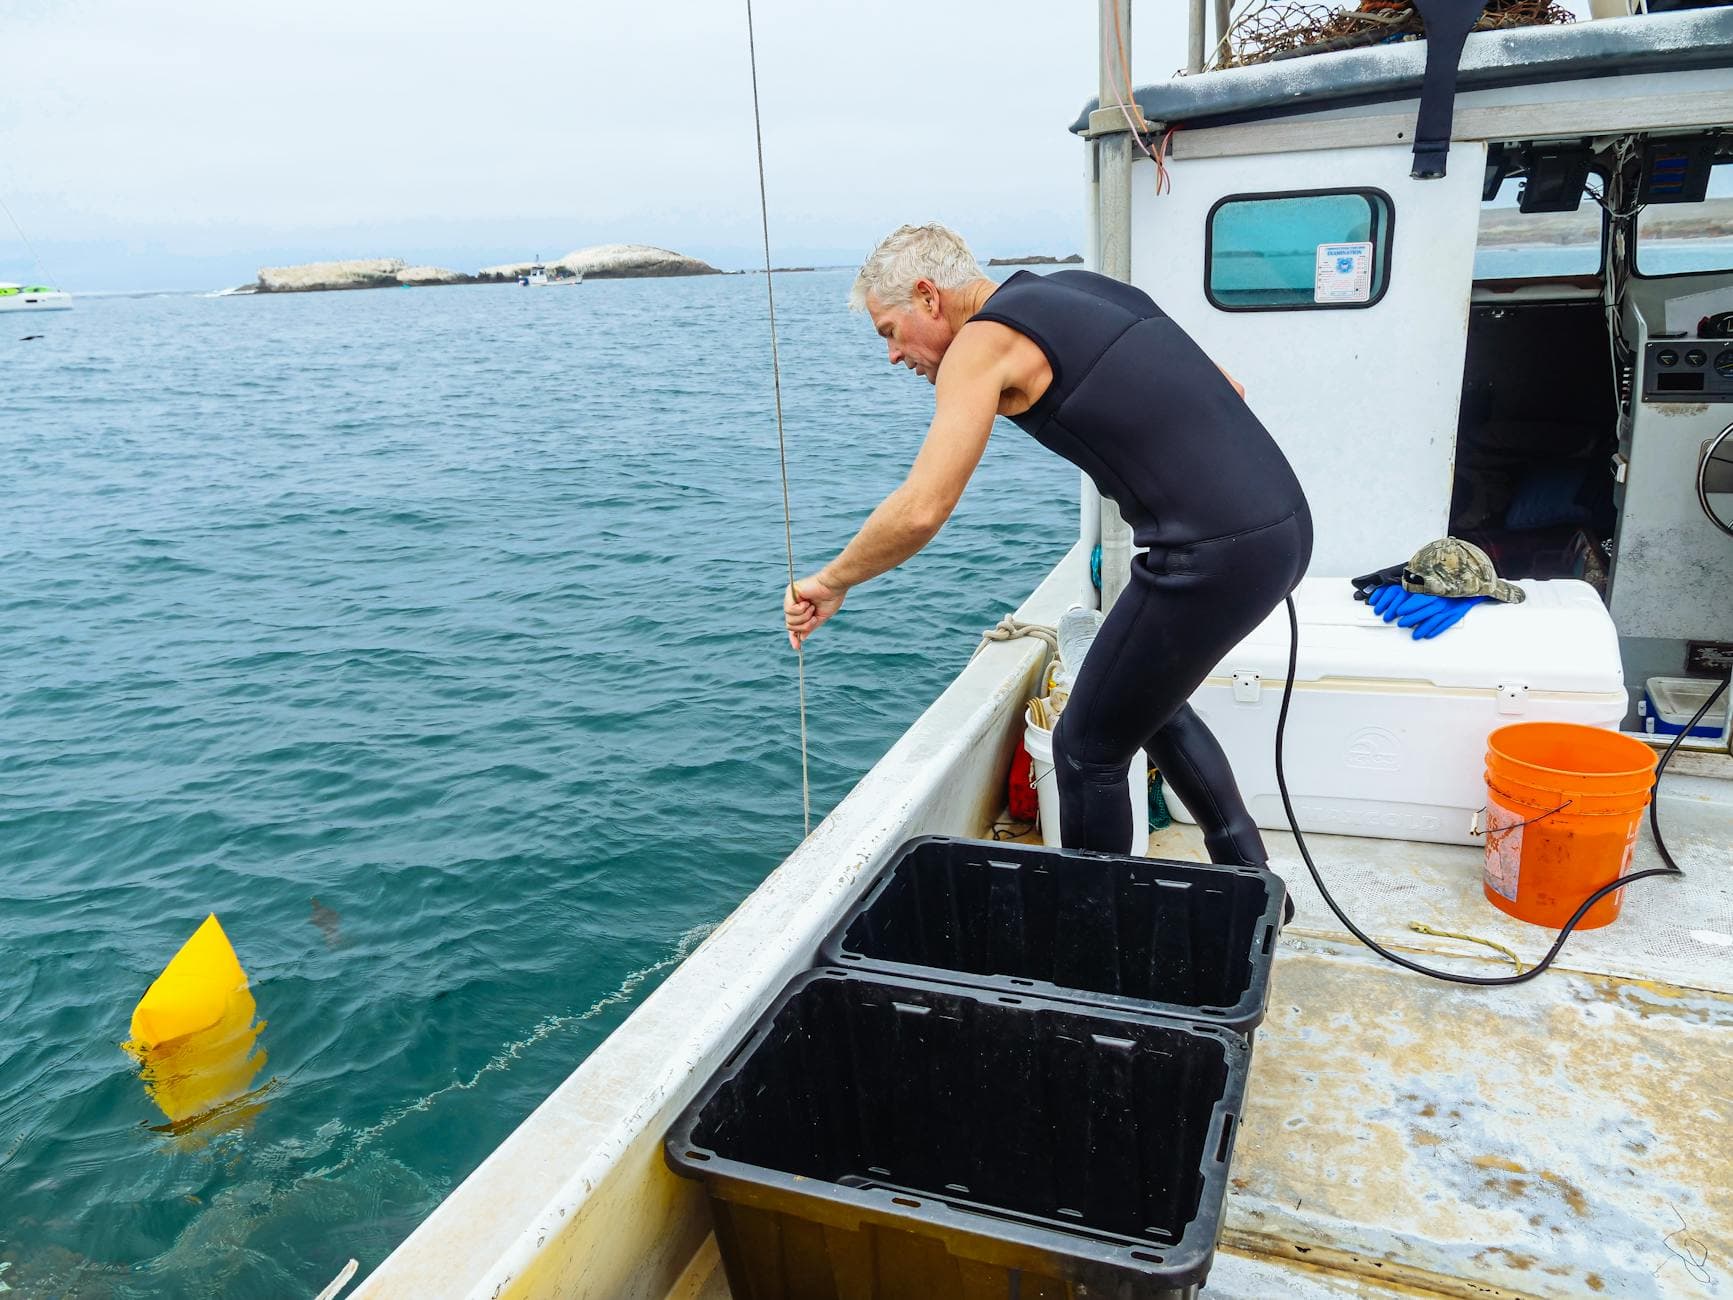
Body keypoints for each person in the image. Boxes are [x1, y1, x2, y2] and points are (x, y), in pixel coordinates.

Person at [783, 223, 1311, 867]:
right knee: (1146, 703)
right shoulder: (1076, 289)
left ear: (927, 296)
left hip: (1210, 553)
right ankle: (1251, 879)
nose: (894, 356)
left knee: (1086, 751)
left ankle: (1095, 947)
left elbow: (922, 510)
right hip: (1281, 526)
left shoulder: (982, 343)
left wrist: (832, 579)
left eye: (889, 333)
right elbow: (1228, 387)